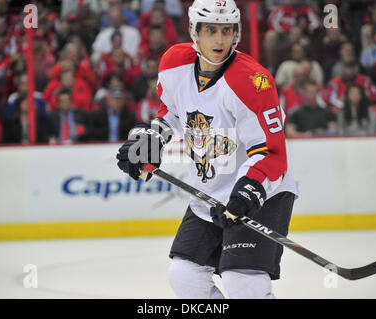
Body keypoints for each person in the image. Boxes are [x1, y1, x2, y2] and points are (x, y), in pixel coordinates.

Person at [116, 0, 298, 299]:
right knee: (184, 276)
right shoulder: (175, 64)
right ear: (194, 32)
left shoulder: (253, 81)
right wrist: (150, 139)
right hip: (210, 196)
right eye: (211, 30)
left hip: (261, 193)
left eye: (226, 31)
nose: (219, 39)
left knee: (243, 282)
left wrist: (247, 193)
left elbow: (272, 152)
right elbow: (171, 111)